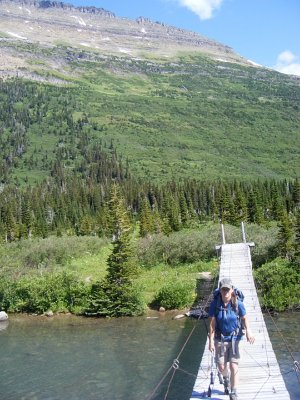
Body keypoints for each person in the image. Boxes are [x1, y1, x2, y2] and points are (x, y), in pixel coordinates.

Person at [208, 278, 255, 400]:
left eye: (228, 289)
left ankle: (233, 392)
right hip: (220, 338)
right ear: (220, 290)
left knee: (234, 365)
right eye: (223, 289)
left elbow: (244, 318)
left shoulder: (237, 303)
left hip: (235, 338)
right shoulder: (215, 304)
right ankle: (225, 377)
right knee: (222, 367)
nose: (225, 292)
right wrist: (210, 341)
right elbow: (212, 323)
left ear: (232, 289)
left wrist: (249, 331)